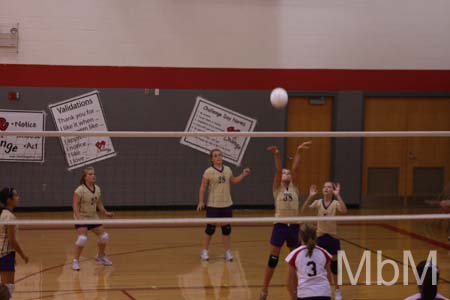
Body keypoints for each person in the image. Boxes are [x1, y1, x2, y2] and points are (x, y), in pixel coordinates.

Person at [260, 141, 311, 300]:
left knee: (295, 261)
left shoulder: (295, 188)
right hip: (280, 227)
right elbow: (278, 170)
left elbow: (295, 168)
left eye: (288, 174)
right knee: (273, 259)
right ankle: (264, 290)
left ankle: (295, 292)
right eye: (285, 174)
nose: (287, 175)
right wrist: (276, 155)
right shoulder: (277, 188)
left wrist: (299, 152)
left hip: (294, 228)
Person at [197, 149, 250, 261]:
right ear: (212, 159)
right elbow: (202, 187)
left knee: (226, 229)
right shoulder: (208, 171)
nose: (218, 157)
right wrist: (201, 201)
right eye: (215, 156)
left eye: (220, 155)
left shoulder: (228, 169)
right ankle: (205, 251)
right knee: (210, 229)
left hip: (226, 204)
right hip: (213, 204)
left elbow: (234, 181)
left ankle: (227, 252)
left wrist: (243, 175)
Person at [301, 182, 347, 300]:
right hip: (320, 236)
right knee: (321, 264)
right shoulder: (318, 202)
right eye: (324, 187)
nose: (326, 188)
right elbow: (303, 209)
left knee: (334, 265)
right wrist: (310, 196)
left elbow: (344, 210)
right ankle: (323, 288)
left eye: (329, 187)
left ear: (332, 190)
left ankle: (337, 289)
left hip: (333, 237)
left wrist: (338, 195)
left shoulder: (335, 203)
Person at [72, 167, 114, 271]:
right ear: (85, 177)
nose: (93, 176)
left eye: (94, 174)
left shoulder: (97, 188)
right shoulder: (80, 190)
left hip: (93, 216)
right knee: (82, 238)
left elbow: (99, 203)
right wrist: (78, 218)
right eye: (90, 174)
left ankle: (100, 256)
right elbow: (75, 205)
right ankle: (75, 261)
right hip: (82, 217)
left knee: (104, 236)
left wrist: (105, 212)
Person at [285, 223, 332, 300]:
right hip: (324, 294)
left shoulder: (295, 254)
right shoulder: (324, 253)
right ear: (315, 236)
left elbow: (289, 283)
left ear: (300, 237)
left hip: (305, 295)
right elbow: (329, 278)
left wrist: (294, 296)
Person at [0, 187, 29, 299]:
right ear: (9, 200)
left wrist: (13, 256)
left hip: (5, 254)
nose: (18, 197)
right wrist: (23, 255)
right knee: (8, 289)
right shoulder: (9, 217)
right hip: (4, 255)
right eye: (16, 195)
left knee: (6, 289)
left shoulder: (4, 214)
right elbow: (12, 241)